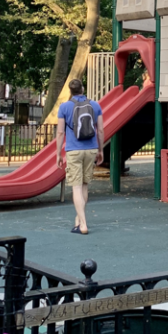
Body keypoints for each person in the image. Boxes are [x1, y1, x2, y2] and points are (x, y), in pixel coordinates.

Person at [56, 80, 104, 235]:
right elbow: (101, 130)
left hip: (73, 150)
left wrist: (58, 153)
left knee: (76, 187)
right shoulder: (95, 105)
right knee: (84, 185)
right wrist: (100, 150)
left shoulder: (64, 107)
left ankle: (83, 225)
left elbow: (60, 132)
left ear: (70, 91)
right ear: (82, 89)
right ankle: (78, 219)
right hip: (91, 149)